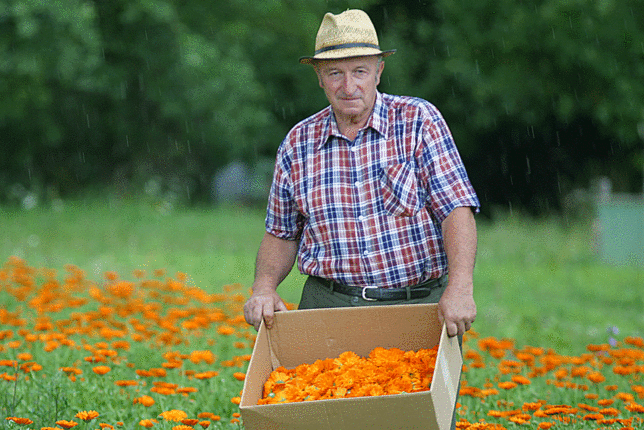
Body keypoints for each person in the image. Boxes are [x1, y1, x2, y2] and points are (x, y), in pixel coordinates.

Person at [243, 9, 479, 339]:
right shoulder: (298, 143)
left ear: (378, 72)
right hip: (328, 307)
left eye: (359, 71)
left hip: (418, 305)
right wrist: (264, 288)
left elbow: (456, 209)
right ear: (319, 78)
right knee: (320, 392)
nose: (349, 86)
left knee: (418, 393)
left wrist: (460, 288)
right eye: (335, 73)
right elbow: (282, 233)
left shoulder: (418, 121)